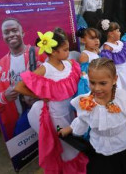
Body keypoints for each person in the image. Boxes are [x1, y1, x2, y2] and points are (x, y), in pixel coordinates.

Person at [14, 28, 88, 173]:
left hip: (72, 113)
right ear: (53, 52)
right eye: (65, 50)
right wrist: (41, 96)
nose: (68, 52)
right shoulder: (45, 69)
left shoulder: (69, 64)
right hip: (57, 118)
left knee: (77, 140)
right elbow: (19, 86)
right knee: (67, 146)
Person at [58, 58, 126, 174]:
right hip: (98, 148)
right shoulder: (86, 101)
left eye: (102, 83)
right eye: (92, 82)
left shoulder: (122, 98)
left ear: (114, 79)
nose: (97, 88)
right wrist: (69, 129)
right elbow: (82, 120)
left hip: (123, 147)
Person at [0, 18, 47, 140]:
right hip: (20, 121)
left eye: (14, 30)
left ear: (23, 33)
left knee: (52, 140)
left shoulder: (39, 54)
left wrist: (39, 93)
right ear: (3, 37)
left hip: (45, 112)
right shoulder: (1, 65)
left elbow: (58, 80)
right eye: (6, 32)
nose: (10, 35)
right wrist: (4, 96)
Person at [99, 20, 126, 100]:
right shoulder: (107, 47)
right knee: (125, 90)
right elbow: (108, 63)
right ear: (111, 34)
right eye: (117, 31)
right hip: (120, 74)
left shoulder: (120, 43)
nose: (120, 32)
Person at [76, 27, 101, 96]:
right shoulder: (84, 55)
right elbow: (84, 73)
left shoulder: (96, 50)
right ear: (83, 40)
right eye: (92, 38)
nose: (96, 41)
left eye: (97, 38)